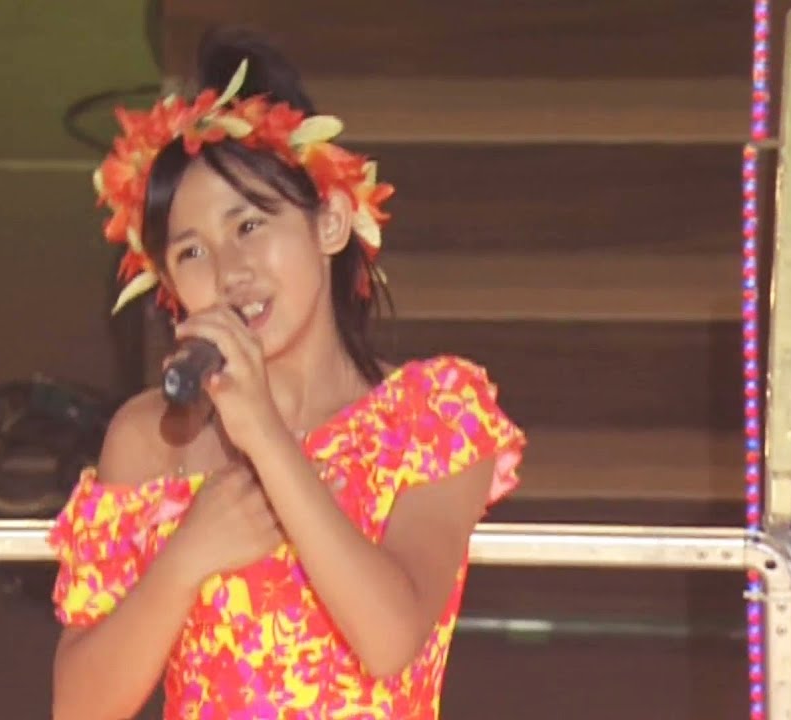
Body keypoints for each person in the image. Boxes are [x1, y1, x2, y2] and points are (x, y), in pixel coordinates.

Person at [48, 29, 526, 720]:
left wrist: (266, 438)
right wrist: (184, 560)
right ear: (170, 286)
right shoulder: (152, 437)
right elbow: (80, 709)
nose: (229, 273)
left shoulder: (433, 415)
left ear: (329, 224)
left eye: (249, 227)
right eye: (191, 252)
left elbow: (391, 640)